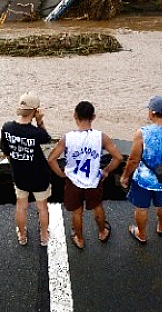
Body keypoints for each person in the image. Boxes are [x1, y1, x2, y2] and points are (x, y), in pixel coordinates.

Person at [48, 101, 123, 249]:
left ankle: (80, 239)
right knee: (97, 207)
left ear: (75, 116)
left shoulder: (67, 138)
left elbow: (51, 159)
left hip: (73, 181)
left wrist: (61, 174)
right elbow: (118, 158)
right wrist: (106, 171)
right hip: (94, 180)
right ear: (93, 117)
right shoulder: (101, 137)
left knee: (77, 212)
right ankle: (102, 232)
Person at [120, 96, 162, 244]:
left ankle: (141, 234)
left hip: (143, 180)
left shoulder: (142, 133)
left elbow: (133, 160)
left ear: (152, 113)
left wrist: (125, 176)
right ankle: (161, 226)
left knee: (142, 208)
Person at [0, 93, 52, 247]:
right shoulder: (36, 132)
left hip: (19, 175)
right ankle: (44, 236)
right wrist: (40, 121)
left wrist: (16, 163)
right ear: (35, 111)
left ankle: (22, 236)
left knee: (21, 206)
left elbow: (6, 151)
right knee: (42, 208)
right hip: (39, 176)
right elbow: (46, 138)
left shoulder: (7, 128)